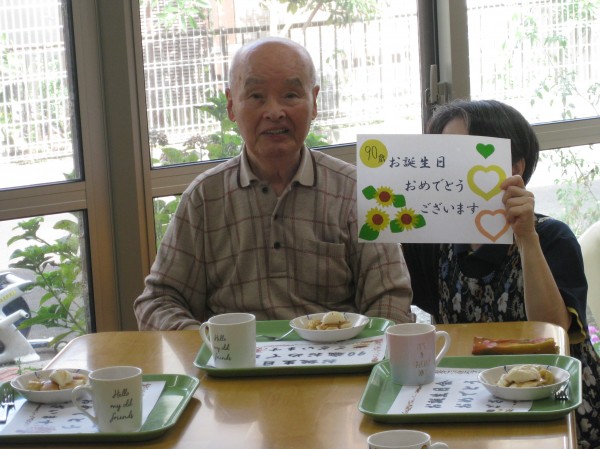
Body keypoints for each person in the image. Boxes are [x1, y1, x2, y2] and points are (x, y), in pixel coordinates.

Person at [134, 36, 414, 331]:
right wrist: (208, 342)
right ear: (231, 105)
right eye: (256, 96)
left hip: (337, 355)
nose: (275, 112)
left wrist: (364, 347)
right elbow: (158, 302)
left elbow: (390, 298)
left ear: (314, 102)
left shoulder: (356, 191)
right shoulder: (205, 198)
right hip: (235, 359)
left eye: (290, 95)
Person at [403, 99, 599, 449]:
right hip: (471, 395)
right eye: (440, 158)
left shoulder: (552, 238)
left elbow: (554, 331)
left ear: (514, 169)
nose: (447, 171)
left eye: (460, 157)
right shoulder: (434, 241)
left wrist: (526, 238)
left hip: (552, 396)